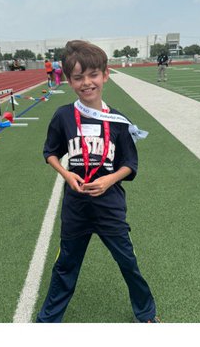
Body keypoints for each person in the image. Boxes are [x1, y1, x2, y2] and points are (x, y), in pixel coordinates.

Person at [36, 40, 157, 323]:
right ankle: (47, 321)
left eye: (93, 75)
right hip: (76, 208)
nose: (86, 83)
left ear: (105, 75)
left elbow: (130, 163)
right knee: (65, 266)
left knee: (128, 262)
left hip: (110, 207)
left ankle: (146, 313)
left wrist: (108, 181)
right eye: (78, 77)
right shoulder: (64, 116)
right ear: (69, 81)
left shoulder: (118, 121)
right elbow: (50, 153)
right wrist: (66, 174)